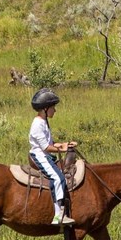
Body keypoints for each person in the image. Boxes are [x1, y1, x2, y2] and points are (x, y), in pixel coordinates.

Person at [28, 88, 77, 225]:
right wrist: (63, 148)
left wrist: (66, 144)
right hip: (40, 156)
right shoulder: (38, 124)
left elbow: (51, 143)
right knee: (58, 178)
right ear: (45, 109)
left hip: (46, 154)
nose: (54, 110)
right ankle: (58, 215)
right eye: (53, 107)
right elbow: (46, 147)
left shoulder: (44, 122)